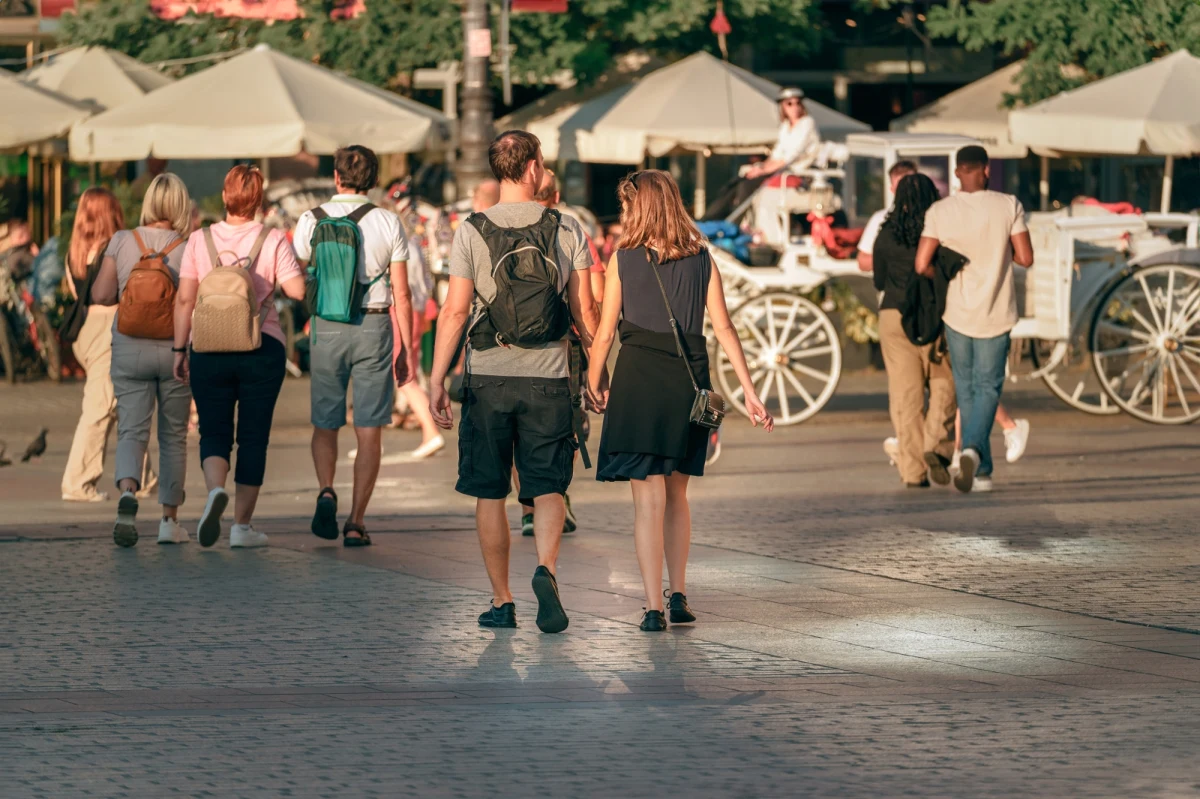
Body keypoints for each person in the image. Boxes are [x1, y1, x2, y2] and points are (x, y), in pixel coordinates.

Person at [429, 130, 601, 634]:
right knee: (547, 486)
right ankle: (546, 571)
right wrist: (596, 369)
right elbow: (584, 308)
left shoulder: (471, 229)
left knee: (490, 490)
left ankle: (502, 601)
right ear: (531, 169)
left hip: (488, 377)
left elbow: (455, 311)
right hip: (549, 376)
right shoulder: (567, 227)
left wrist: (438, 377)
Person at [589, 170, 774, 632]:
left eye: (628, 204)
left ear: (642, 206)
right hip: (688, 379)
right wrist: (750, 392)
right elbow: (725, 328)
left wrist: (593, 380)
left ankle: (652, 607)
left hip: (638, 379)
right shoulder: (701, 258)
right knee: (678, 496)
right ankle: (679, 594)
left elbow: (606, 331)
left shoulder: (623, 260)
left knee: (646, 499)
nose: (625, 212)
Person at [172, 165, 308, 549]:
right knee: (253, 437)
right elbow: (297, 291)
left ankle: (216, 490)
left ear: (226, 195)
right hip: (261, 347)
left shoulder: (200, 240)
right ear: (259, 199)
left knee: (213, 430)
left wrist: (180, 349)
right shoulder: (273, 238)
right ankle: (242, 527)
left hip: (207, 346)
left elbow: (184, 299)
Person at [294, 145, 413, 547]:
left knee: (325, 421)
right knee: (368, 429)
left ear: (336, 175)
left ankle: (326, 488)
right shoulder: (387, 221)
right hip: (373, 325)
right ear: (375, 179)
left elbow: (299, 277)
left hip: (327, 325)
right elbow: (403, 292)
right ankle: (357, 521)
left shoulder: (311, 219)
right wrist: (407, 347)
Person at [916, 146, 1034, 493]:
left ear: (956, 173)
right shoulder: (1008, 204)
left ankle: (981, 471)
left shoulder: (941, 210)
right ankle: (971, 451)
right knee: (988, 387)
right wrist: (997, 253)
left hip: (957, 312)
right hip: (997, 310)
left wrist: (947, 269)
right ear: (986, 169)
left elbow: (922, 264)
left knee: (966, 388)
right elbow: (1025, 258)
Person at [91, 173, 194, 547]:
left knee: (131, 429)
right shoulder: (190, 245)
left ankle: (128, 493)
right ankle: (169, 521)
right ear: (181, 204)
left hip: (129, 348)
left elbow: (101, 295)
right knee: (173, 436)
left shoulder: (121, 240)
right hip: (176, 350)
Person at [514, 168, 601, 537]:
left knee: (517, 429)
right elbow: (592, 300)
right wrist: (598, 356)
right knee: (562, 426)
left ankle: (529, 508)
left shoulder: (505, 228)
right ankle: (556, 500)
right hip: (562, 348)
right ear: (556, 195)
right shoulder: (570, 229)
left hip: (511, 347)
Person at [60, 189, 158, 503]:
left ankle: (143, 478)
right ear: (110, 212)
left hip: (87, 331)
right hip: (110, 328)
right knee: (100, 407)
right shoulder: (116, 247)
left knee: (124, 402)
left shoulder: (75, 251)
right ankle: (77, 482)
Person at [872, 174, 958, 488]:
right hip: (936, 315)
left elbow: (879, 281)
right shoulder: (941, 233)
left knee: (906, 397)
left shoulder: (885, 235)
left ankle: (913, 471)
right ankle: (935, 446)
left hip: (895, 317)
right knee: (944, 384)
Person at [744, 87, 821, 246]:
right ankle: (750, 231)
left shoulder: (807, 123)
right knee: (748, 184)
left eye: (797, 103)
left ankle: (773, 242)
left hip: (802, 177)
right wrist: (759, 167)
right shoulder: (786, 126)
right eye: (789, 103)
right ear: (783, 107)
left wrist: (763, 170)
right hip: (786, 175)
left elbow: (790, 156)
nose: (795, 107)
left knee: (767, 199)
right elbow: (777, 155)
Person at [857, 160, 918, 275]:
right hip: (892, 288)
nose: (906, 191)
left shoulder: (931, 216)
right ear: (892, 189)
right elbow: (862, 262)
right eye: (900, 187)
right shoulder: (880, 219)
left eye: (910, 185)